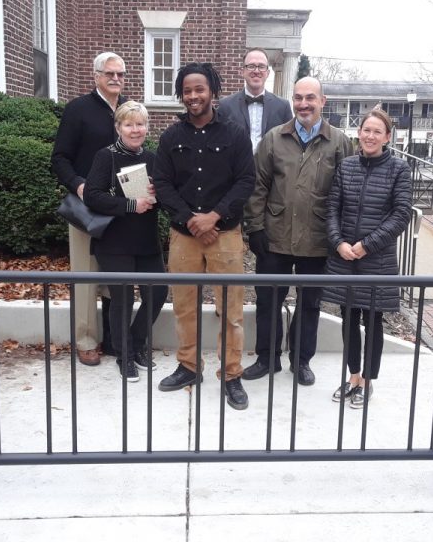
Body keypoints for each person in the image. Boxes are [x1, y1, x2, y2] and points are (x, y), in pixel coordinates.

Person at [153, 62, 256, 411]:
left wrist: (214, 216)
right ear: (181, 95)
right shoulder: (170, 138)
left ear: (213, 91)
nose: (194, 96)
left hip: (225, 235)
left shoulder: (235, 134)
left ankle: (231, 374)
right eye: (187, 90)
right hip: (184, 236)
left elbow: (246, 180)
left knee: (230, 310)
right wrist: (191, 220)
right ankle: (188, 366)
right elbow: (163, 184)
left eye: (200, 89)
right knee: (184, 307)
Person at [243, 77, 353, 386]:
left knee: (310, 304)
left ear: (322, 101)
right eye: (297, 98)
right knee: (267, 301)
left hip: (318, 239)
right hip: (274, 236)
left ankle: (301, 361)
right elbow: (258, 185)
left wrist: (338, 236)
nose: (303, 104)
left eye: (310, 98)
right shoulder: (274, 138)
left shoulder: (340, 142)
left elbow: (345, 192)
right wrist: (255, 228)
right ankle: (267, 358)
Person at [323, 108, 412, 408]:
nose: (370, 136)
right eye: (366, 130)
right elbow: (332, 207)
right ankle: (353, 376)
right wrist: (338, 242)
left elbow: (401, 215)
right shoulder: (346, 167)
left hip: (377, 261)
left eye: (377, 131)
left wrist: (366, 245)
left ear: (387, 137)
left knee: (373, 322)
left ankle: (369, 381)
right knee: (349, 320)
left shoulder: (399, 169)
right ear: (358, 133)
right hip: (345, 258)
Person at [82, 101, 168, 381]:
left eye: (140, 124)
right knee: (122, 300)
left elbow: (166, 197)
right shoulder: (105, 157)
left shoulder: (153, 158)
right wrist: (130, 205)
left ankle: (136, 342)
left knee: (157, 294)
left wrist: (159, 193)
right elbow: (92, 195)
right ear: (118, 127)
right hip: (115, 241)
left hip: (146, 239)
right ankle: (124, 355)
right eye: (129, 124)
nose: (136, 129)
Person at [51, 52, 127, 366]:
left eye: (121, 74)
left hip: (121, 207)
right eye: (109, 73)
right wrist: (80, 186)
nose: (115, 79)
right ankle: (85, 340)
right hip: (86, 208)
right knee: (86, 274)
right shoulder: (78, 110)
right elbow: (59, 159)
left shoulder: (127, 110)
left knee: (116, 273)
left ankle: (113, 339)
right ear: (95, 75)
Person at [217, 48, 292, 152]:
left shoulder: (283, 106)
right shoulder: (225, 106)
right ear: (242, 71)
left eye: (261, 66)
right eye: (251, 66)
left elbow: (289, 145)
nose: (256, 71)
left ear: (268, 73)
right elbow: (219, 141)